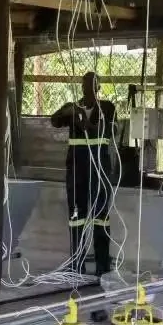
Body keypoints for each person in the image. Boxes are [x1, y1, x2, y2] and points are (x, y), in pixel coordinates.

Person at [50, 72, 120, 278]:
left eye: (92, 84)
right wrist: (69, 112)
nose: (87, 87)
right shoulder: (73, 107)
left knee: (101, 216)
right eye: (84, 84)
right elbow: (54, 121)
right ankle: (76, 264)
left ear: (98, 87)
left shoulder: (107, 107)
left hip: (99, 168)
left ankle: (102, 266)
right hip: (77, 168)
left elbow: (110, 131)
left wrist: (85, 124)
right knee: (76, 216)